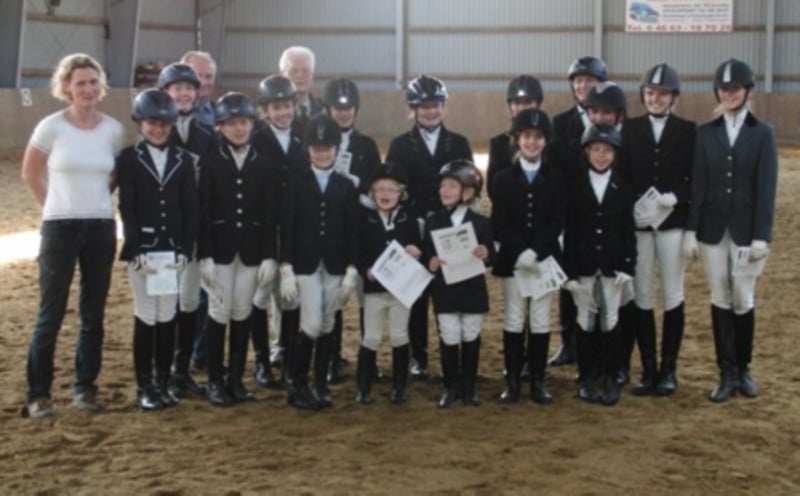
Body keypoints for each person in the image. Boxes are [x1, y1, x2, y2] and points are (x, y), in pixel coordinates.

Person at [21, 53, 125, 418]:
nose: (88, 89)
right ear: (67, 87)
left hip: (100, 227)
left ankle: (85, 388)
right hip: (60, 229)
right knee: (50, 313)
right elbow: (31, 173)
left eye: (93, 82)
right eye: (80, 83)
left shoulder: (112, 130)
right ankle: (38, 393)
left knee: (93, 313)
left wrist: (96, 203)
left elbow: (113, 175)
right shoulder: (51, 127)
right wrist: (54, 207)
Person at [683, 59, 778, 403]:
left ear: (747, 91)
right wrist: (691, 229)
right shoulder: (706, 133)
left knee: (742, 295)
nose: (729, 94)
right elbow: (698, 183)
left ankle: (744, 368)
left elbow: (766, 186)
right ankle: (726, 372)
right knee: (720, 295)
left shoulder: (763, 133)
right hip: (712, 227)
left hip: (746, 229)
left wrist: (761, 234)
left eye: (734, 89)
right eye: (724, 89)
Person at [386, 75, 473, 380]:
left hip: (451, 228)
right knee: (417, 294)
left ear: (443, 106)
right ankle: (419, 355)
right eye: (424, 106)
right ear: (413, 108)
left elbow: (470, 187)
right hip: (417, 229)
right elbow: (394, 188)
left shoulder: (459, 143)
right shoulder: (399, 145)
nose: (431, 111)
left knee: (450, 292)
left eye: (436, 105)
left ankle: (452, 352)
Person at [117, 89, 198, 410]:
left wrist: (186, 248)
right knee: (146, 315)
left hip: (171, 251)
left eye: (165, 123)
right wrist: (135, 247)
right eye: (152, 122)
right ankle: (145, 386)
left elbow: (190, 207)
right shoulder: (129, 158)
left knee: (167, 315)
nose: (159, 129)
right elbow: (128, 206)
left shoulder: (182, 160)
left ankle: (163, 382)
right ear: (140, 123)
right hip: (145, 251)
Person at [617, 64, 696, 396]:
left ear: (673, 97)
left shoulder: (688, 131)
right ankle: (648, 370)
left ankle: (668, 370)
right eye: (650, 93)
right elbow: (621, 176)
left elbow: (696, 177)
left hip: (672, 225)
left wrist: (675, 197)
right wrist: (634, 205)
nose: (655, 99)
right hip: (640, 227)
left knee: (673, 294)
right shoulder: (628, 129)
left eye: (662, 94)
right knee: (643, 295)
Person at [197, 92, 278, 407]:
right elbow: (204, 210)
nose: (239, 128)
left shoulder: (265, 164)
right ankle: (215, 380)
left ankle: (236, 379)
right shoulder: (210, 161)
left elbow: (269, 213)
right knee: (219, 312)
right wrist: (204, 254)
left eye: (243, 122)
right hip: (219, 250)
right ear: (220, 127)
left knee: (243, 311)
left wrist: (270, 255)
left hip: (252, 250)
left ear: (252, 124)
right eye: (231, 124)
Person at [280, 114, 359, 411]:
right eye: (317, 148)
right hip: (305, 264)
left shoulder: (346, 186)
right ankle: (296, 382)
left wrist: (352, 268)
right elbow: (287, 226)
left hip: (335, 264)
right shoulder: (296, 183)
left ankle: (320, 384)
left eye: (328, 148)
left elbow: (351, 231)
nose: (323, 153)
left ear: (336, 149)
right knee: (311, 323)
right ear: (308, 150)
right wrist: (285, 265)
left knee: (327, 323)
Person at [491, 108, 565, 405]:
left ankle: (537, 381)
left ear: (545, 141)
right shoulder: (502, 179)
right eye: (526, 136)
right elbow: (500, 221)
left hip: (544, 259)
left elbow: (557, 221)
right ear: (517, 140)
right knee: (514, 315)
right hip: (513, 259)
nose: (532, 142)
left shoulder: (557, 179)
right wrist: (520, 250)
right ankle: (512, 382)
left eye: (538, 137)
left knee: (540, 317)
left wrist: (536, 251)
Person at [563, 124, 636, 407]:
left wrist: (628, 266)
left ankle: (611, 376)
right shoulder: (575, 186)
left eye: (607, 151)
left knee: (610, 320)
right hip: (583, 265)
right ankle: (586, 377)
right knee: (585, 319)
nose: (601, 156)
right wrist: (569, 273)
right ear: (587, 152)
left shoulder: (623, 187)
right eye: (596, 150)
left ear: (614, 154)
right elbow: (570, 233)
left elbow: (627, 231)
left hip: (612, 266)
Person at [158, 62, 217, 397]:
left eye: (189, 89)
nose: (183, 94)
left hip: (194, 230)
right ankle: (160, 370)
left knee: (190, 299)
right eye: (177, 88)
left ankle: (181, 370)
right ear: (166, 93)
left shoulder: (207, 136)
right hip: (163, 232)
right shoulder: (155, 133)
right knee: (162, 300)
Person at [549, 56, 608, 368]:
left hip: (602, 210)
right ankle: (568, 342)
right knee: (568, 278)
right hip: (571, 211)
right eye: (579, 81)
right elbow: (556, 169)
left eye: (590, 81)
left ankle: (599, 341)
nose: (583, 86)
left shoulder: (611, 120)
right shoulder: (560, 124)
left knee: (601, 277)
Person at [322, 78, 382, 384]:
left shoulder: (367, 145)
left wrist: (357, 185)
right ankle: (332, 358)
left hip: (362, 230)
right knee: (334, 297)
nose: (344, 113)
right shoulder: (320, 143)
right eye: (338, 108)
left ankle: (368, 360)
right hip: (333, 231)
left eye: (348, 108)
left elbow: (376, 185)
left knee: (365, 297)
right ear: (329, 109)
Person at [422, 160, 494, 408]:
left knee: (471, 333)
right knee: (449, 333)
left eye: (451, 186)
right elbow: (426, 253)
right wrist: (430, 262)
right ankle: (450, 386)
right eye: (442, 186)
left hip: (472, 288)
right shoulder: (433, 221)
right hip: (445, 289)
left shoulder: (481, 223)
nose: (444, 191)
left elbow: (492, 256)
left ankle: (469, 386)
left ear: (469, 191)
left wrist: (486, 253)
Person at [250, 75, 307, 389]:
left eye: (287, 106)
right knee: (261, 293)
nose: (283, 112)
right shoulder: (256, 139)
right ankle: (262, 358)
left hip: (296, 226)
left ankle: (288, 353)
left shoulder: (304, 135)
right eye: (276, 107)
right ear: (265, 110)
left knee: (291, 294)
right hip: (265, 227)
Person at [355, 163, 421, 405]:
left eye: (391, 190)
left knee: (399, 335)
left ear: (401, 193)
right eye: (380, 189)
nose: (385, 194)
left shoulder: (409, 217)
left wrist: (417, 250)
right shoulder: (364, 219)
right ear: (372, 193)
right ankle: (363, 386)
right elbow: (357, 250)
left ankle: (399, 386)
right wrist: (365, 269)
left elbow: (418, 244)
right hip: (374, 289)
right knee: (371, 336)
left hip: (401, 290)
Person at [486, 74, 544, 203]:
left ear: (538, 104)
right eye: (517, 103)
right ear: (510, 106)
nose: (521, 108)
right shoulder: (499, 144)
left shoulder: (552, 143)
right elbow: (493, 189)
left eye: (527, 102)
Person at [279, 46, 324, 129]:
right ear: (283, 75)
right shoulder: (274, 114)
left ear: (312, 75)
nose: (300, 75)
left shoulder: (324, 111)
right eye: (294, 71)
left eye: (306, 70)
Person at [180, 50, 218, 128]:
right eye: (197, 76)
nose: (203, 83)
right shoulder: (168, 114)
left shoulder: (222, 114)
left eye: (209, 76)